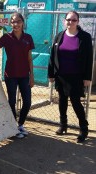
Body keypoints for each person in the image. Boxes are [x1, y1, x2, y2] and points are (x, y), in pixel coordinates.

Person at [48, 10, 93, 143]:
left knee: (75, 102)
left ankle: (83, 128)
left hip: (76, 77)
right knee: (62, 101)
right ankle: (63, 125)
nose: (70, 22)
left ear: (78, 22)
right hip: (61, 75)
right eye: (68, 19)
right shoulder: (59, 36)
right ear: (64, 21)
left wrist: (87, 77)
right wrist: (51, 74)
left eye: (73, 20)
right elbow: (52, 56)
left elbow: (89, 59)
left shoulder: (84, 37)